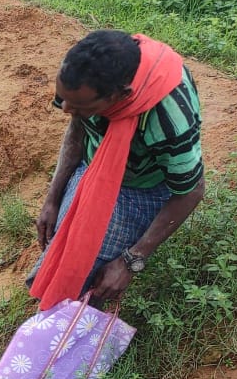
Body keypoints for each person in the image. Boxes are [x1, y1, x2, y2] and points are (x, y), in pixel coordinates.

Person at [29, 30, 205, 310]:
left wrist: (132, 259)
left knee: (90, 279)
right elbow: (78, 127)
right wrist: (53, 198)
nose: (64, 108)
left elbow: (191, 191)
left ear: (121, 96)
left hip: (141, 189)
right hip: (94, 169)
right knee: (64, 251)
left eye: (80, 105)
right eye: (63, 98)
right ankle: (53, 314)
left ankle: (73, 327)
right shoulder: (82, 81)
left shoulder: (168, 118)